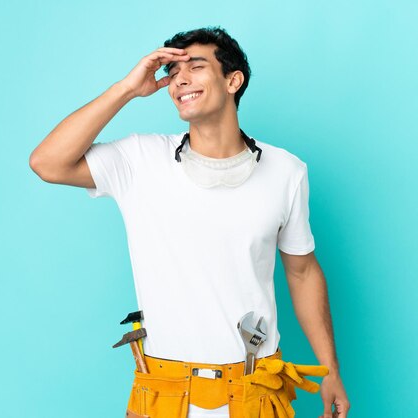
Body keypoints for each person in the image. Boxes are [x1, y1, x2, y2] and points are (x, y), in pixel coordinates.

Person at [29, 26, 350, 418]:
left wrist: (330, 369)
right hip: (164, 392)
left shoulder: (286, 171)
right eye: (173, 71)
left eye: (195, 67)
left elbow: (302, 272)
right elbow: (47, 163)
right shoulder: (140, 160)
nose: (179, 80)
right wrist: (126, 89)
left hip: (255, 390)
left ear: (233, 80)